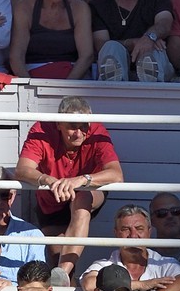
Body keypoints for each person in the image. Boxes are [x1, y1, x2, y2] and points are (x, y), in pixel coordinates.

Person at [14, 96, 123, 280]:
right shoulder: (41, 129)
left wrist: (81, 180)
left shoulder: (97, 130)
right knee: (57, 257)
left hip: (87, 192)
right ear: (58, 124)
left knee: (82, 199)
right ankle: (63, 283)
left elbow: (116, 174)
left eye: (83, 127)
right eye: (72, 126)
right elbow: (22, 170)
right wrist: (48, 180)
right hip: (52, 197)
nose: (79, 133)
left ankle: (62, 275)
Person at [79, 204, 180, 291]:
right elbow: (89, 284)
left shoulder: (164, 263)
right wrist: (141, 285)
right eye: (125, 229)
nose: (133, 235)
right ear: (116, 233)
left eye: (139, 228)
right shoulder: (105, 265)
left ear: (149, 232)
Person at [6, 0, 92, 80]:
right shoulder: (25, 7)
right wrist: (30, 87)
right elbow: (16, 56)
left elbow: (86, 55)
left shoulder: (80, 9)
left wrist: (67, 87)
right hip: (32, 74)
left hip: (73, 76)